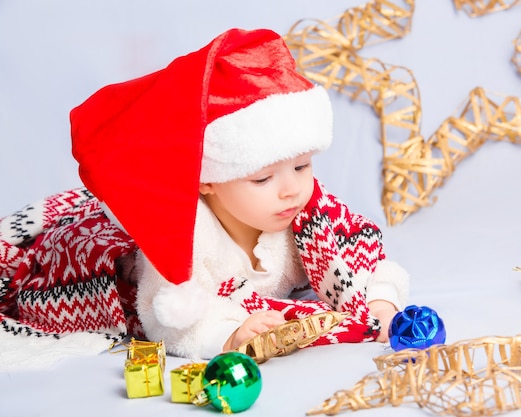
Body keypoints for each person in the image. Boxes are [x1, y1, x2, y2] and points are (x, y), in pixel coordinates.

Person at [70, 27, 409, 361]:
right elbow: (166, 316)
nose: (291, 189)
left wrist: (378, 302)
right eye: (263, 179)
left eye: (302, 166)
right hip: (111, 263)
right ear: (206, 180)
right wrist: (228, 334)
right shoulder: (182, 240)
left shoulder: (309, 214)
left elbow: (360, 253)